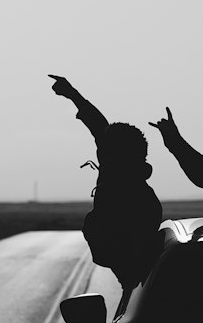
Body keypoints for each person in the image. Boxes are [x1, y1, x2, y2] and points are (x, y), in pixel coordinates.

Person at [49, 74, 163, 299]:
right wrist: (72, 94)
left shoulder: (125, 193)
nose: (102, 155)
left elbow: (98, 126)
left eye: (106, 151)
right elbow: (98, 125)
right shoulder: (136, 189)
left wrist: (72, 94)